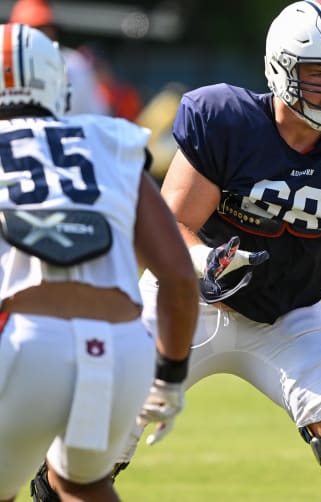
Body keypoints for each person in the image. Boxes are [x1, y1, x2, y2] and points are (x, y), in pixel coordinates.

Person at [31, 1, 321, 501]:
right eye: (318, 72)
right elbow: (171, 223)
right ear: (281, 69)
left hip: (289, 315)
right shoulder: (227, 120)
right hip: (188, 304)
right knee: (89, 451)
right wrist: (204, 261)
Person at [0, 23, 199, 502]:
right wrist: (170, 376)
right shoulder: (109, 140)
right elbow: (176, 273)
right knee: (81, 484)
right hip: (121, 349)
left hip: (25, 342)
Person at [9, 0, 109, 116]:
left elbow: (96, 113)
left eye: (45, 27)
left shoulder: (75, 63)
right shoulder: (5, 65)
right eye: (34, 28)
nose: (39, 35)